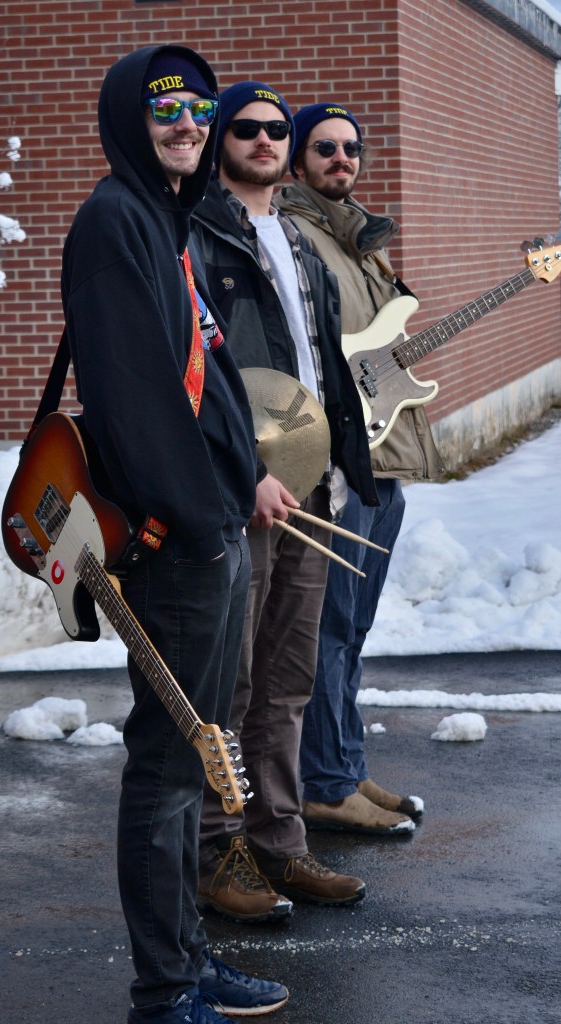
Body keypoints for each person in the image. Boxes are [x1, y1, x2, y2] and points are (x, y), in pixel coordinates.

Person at [61, 47, 289, 1024]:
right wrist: (197, 521)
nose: (188, 123)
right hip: (178, 541)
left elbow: (207, 376)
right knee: (168, 760)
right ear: (129, 118)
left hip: (212, 524)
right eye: (165, 109)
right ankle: (164, 990)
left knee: (196, 755)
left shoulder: (166, 217)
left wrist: (241, 482)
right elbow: (135, 399)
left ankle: (190, 960)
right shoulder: (114, 220)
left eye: (199, 107)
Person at [191, 81, 379, 924]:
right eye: (245, 128)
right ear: (219, 141)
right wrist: (241, 473)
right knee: (228, 686)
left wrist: (339, 463)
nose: (264, 140)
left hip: (310, 482)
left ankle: (278, 841)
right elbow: (195, 375)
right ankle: (218, 850)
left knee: (287, 679)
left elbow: (320, 366)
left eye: (275, 129)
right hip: (243, 491)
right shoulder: (196, 233)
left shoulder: (298, 239)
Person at [276, 102, 445, 837]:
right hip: (340, 464)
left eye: (350, 147)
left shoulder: (359, 239)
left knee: (354, 627)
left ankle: (343, 766)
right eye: (324, 147)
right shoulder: (293, 234)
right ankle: (323, 783)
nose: (341, 157)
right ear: (298, 160)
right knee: (329, 628)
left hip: (383, 458)